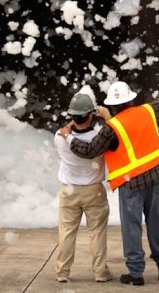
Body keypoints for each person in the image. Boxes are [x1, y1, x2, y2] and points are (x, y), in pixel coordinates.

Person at [59, 79, 159, 286]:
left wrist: (68, 137)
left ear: (112, 105)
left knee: (131, 228)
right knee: (156, 222)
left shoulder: (110, 128)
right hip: (157, 179)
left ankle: (136, 273)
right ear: (131, 100)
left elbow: (88, 151)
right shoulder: (148, 111)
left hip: (131, 185)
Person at [53, 91, 113, 283]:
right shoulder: (98, 137)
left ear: (71, 116)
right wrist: (101, 116)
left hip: (69, 191)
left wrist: (72, 123)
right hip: (94, 191)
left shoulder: (59, 137)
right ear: (91, 115)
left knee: (67, 233)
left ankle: (62, 272)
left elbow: (66, 129)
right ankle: (100, 272)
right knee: (97, 234)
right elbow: (111, 135)